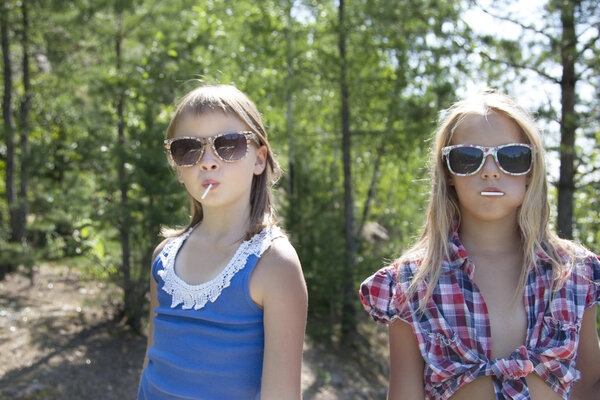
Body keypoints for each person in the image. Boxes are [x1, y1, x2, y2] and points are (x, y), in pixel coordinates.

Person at [359, 90, 600, 400]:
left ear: (532, 169)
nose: (489, 170)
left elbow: (590, 387)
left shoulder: (576, 272)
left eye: (512, 156)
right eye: (467, 158)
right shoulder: (412, 282)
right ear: (447, 172)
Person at [138, 84, 308, 400]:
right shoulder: (164, 257)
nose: (208, 161)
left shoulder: (274, 265)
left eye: (228, 145)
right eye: (187, 148)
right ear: (177, 167)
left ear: (259, 160)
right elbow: (151, 362)